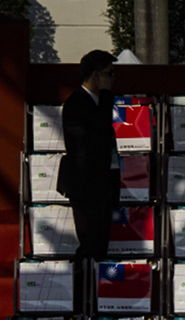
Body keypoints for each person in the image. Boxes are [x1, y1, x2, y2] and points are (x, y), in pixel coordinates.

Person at [57, 50, 121, 263]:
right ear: (96, 75)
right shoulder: (77, 104)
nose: (113, 79)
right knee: (89, 243)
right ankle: (82, 289)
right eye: (109, 74)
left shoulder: (100, 101)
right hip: (85, 184)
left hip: (103, 183)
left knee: (101, 244)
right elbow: (88, 143)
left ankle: (95, 291)